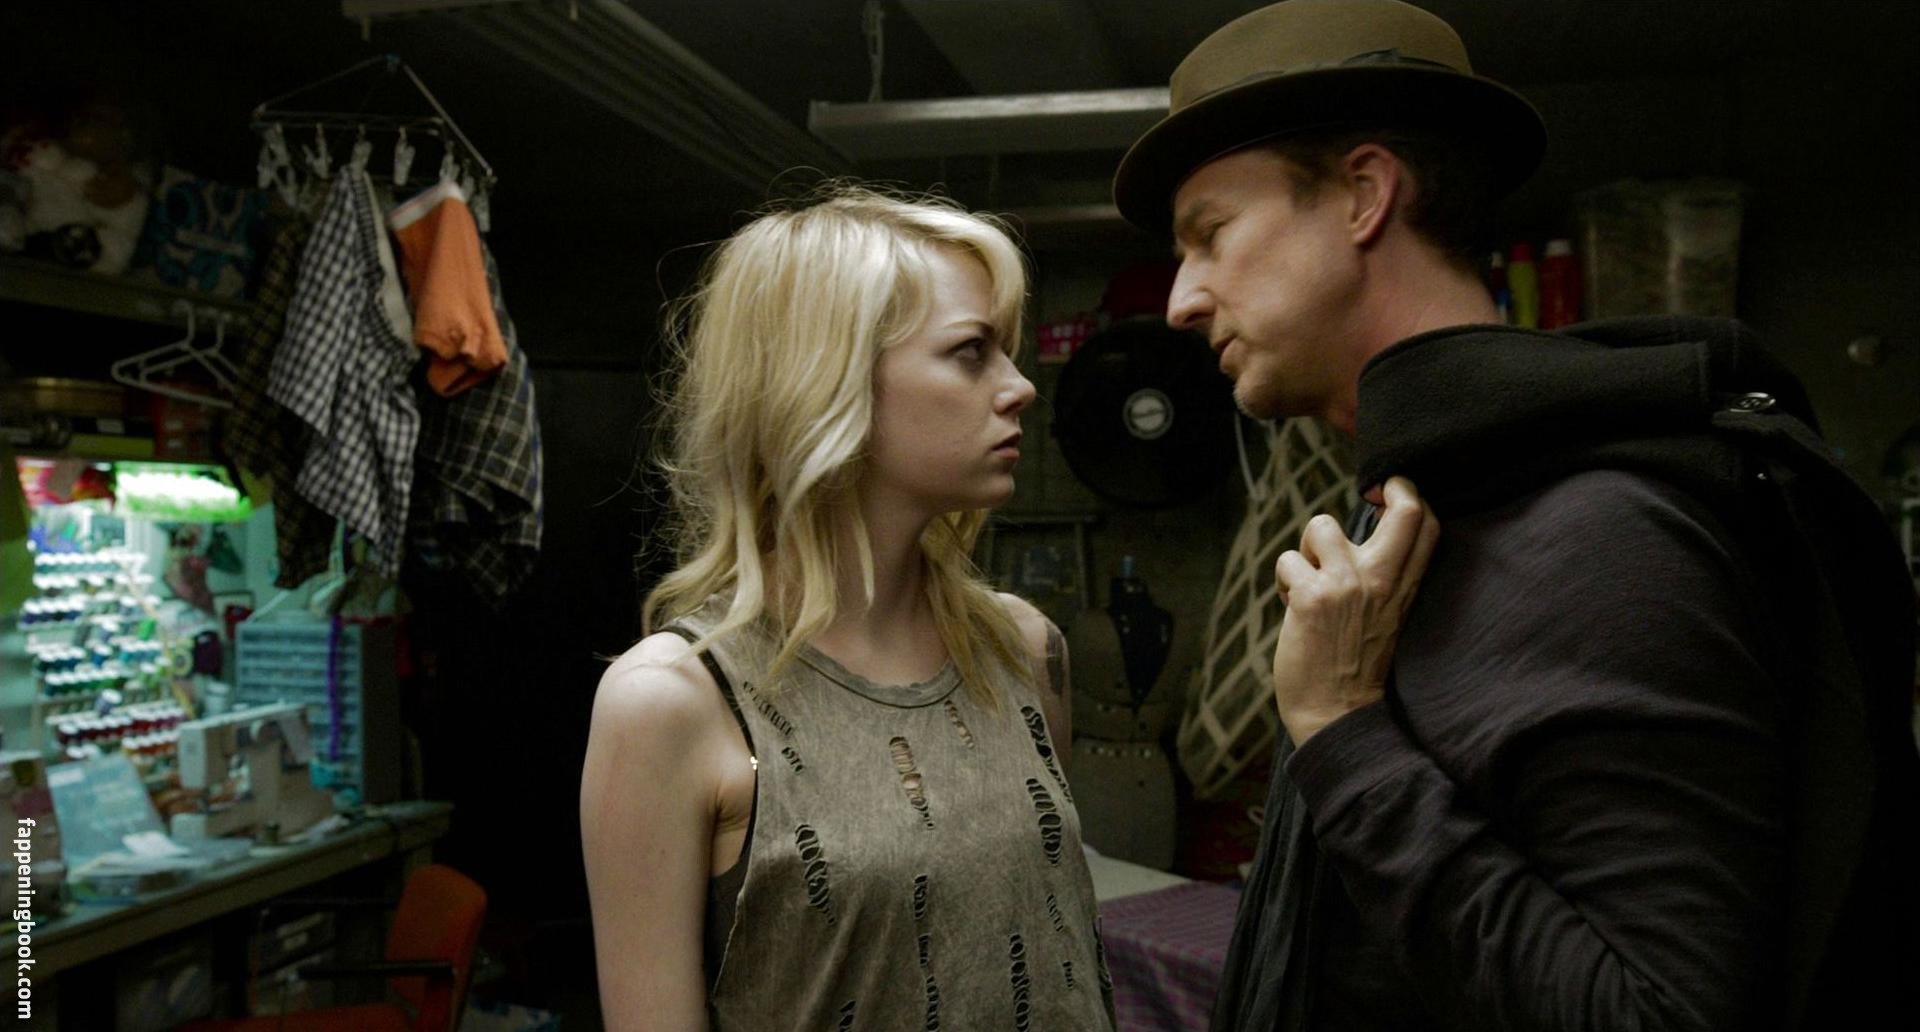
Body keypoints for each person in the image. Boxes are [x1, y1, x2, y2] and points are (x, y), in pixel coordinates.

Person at [1112, 1, 1920, 1030]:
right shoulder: (1430, 503)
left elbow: (1660, 1014)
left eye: (1211, 234)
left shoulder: (1597, 532)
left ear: (1363, 195)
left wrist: (1343, 734)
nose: (1180, 301)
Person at [579, 185, 1116, 1031]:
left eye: (1008, 353)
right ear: (824, 382)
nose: (1019, 389)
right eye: (971, 352)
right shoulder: (674, 704)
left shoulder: (1020, 649)